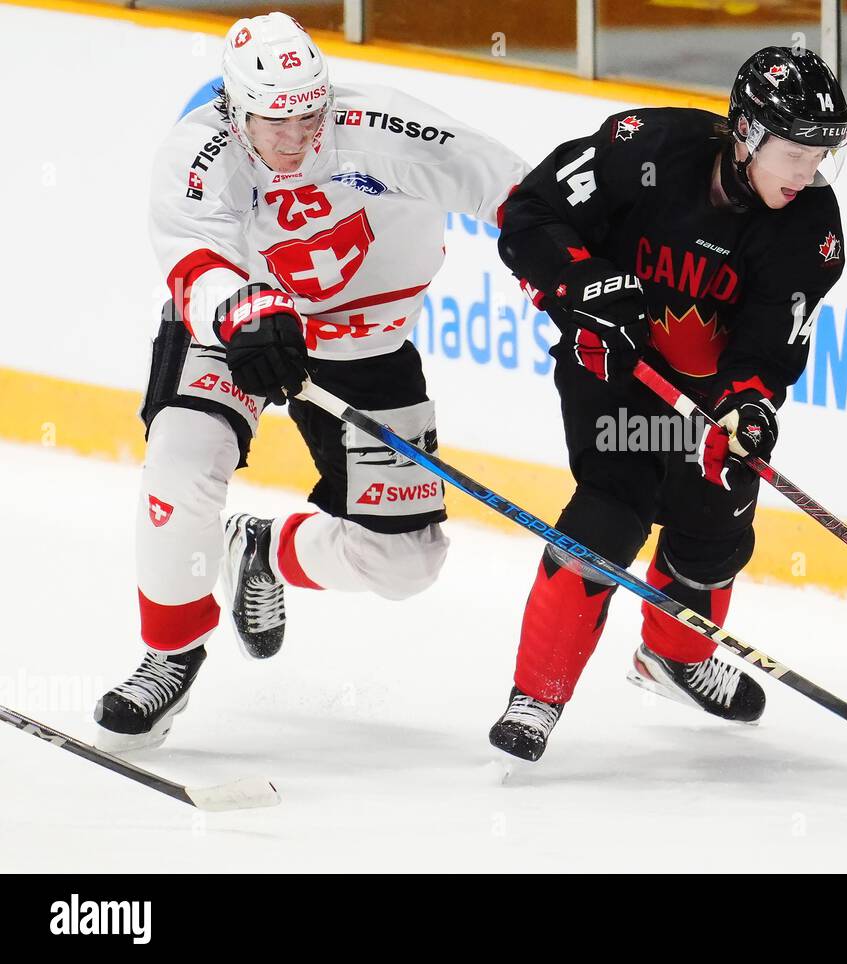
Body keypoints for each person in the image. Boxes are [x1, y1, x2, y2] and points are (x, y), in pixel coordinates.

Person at [94, 11, 529, 752]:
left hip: (366, 342)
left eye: (310, 114)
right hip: (241, 329)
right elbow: (194, 258)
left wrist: (566, 271)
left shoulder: (383, 128)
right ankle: (169, 654)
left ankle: (265, 549)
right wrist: (248, 313)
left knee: (406, 562)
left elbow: (516, 191)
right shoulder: (196, 149)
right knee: (181, 461)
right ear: (236, 110)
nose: (299, 137)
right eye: (276, 122)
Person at [489, 46, 847, 761]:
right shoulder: (644, 149)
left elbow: (767, 349)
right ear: (745, 132)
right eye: (795, 152)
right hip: (616, 377)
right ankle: (537, 693)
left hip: (708, 398)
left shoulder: (810, 225)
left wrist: (748, 407)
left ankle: (674, 657)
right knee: (607, 518)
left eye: (821, 155)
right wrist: (585, 282)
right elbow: (528, 215)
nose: (808, 172)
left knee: (714, 529)